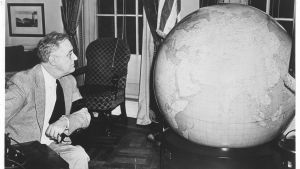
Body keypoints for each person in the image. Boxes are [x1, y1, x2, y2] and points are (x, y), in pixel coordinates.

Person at [5, 31, 91, 169]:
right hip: (24, 152)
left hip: (51, 146)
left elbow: (84, 114)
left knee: (78, 155)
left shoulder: (68, 81)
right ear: (52, 60)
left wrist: (65, 121)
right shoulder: (24, 82)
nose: (75, 57)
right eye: (69, 54)